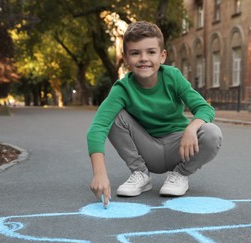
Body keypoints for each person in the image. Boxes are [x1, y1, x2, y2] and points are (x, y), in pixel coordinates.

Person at [87, 21, 222, 207]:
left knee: (212, 132)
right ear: (126, 58)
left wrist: (192, 128)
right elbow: (98, 128)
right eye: (135, 53)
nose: (144, 58)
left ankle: (180, 175)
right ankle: (140, 174)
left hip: (180, 147)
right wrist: (99, 173)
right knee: (114, 117)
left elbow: (205, 108)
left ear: (162, 56)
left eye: (151, 52)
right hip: (148, 148)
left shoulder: (172, 77)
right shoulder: (122, 89)